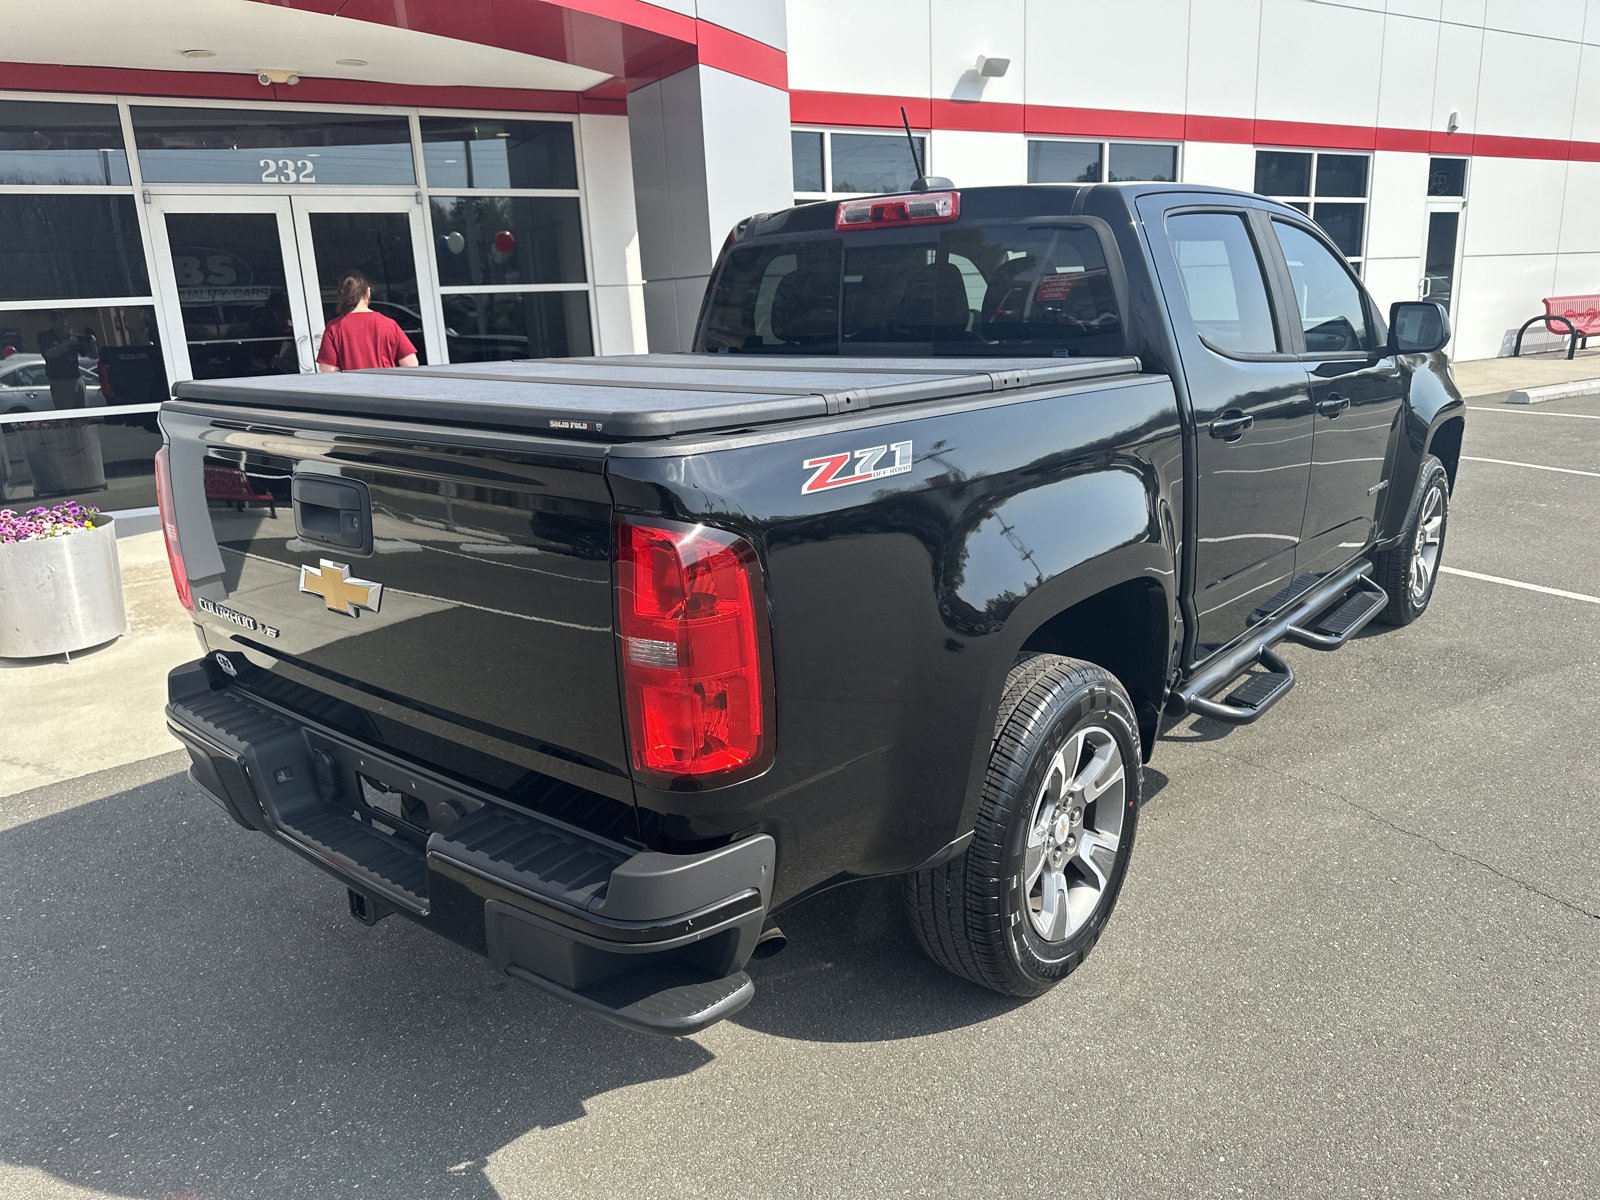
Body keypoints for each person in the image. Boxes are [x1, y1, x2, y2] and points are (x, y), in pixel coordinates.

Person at [316, 271, 419, 372]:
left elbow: (328, 369)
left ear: (342, 293)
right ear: (368, 292)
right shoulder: (388, 324)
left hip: (352, 387)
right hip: (387, 385)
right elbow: (411, 363)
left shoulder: (334, 327)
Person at [37, 310, 94, 410]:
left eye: (65, 320)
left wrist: (92, 344)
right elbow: (50, 354)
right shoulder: (45, 336)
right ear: (53, 321)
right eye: (61, 320)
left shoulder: (70, 337)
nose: (64, 323)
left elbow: (92, 356)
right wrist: (67, 344)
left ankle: (82, 424)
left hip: (77, 378)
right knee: (67, 414)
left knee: (83, 413)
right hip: (60, 381)